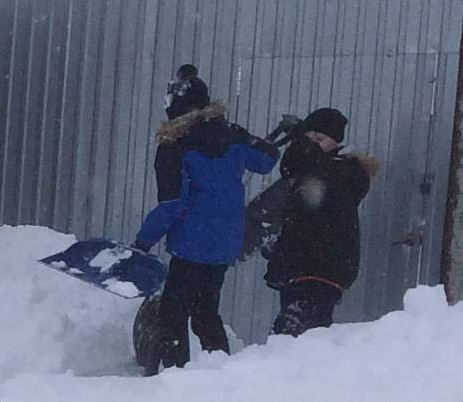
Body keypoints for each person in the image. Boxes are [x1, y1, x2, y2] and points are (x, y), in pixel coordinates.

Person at [131, 82, 278, 370]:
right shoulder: (231, 136)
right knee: (205, 311)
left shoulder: (175, 147)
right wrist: (248, 138)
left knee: (173, 314)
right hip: (225, 243)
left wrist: (143, 242)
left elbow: (172, 204)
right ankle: (220, 368)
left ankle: (175, 373)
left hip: (191, 244)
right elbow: (267, 160)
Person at [257, 107, 371, 337]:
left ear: (336, 142)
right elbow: (291, 167)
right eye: (309, 138)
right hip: (300, 263)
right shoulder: (308, 170)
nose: (313, 143)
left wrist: (303, 142)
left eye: (321, 139)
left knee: (298, 331)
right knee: (301, 333)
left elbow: (321, 173)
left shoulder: (348, 170)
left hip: (325, 265)